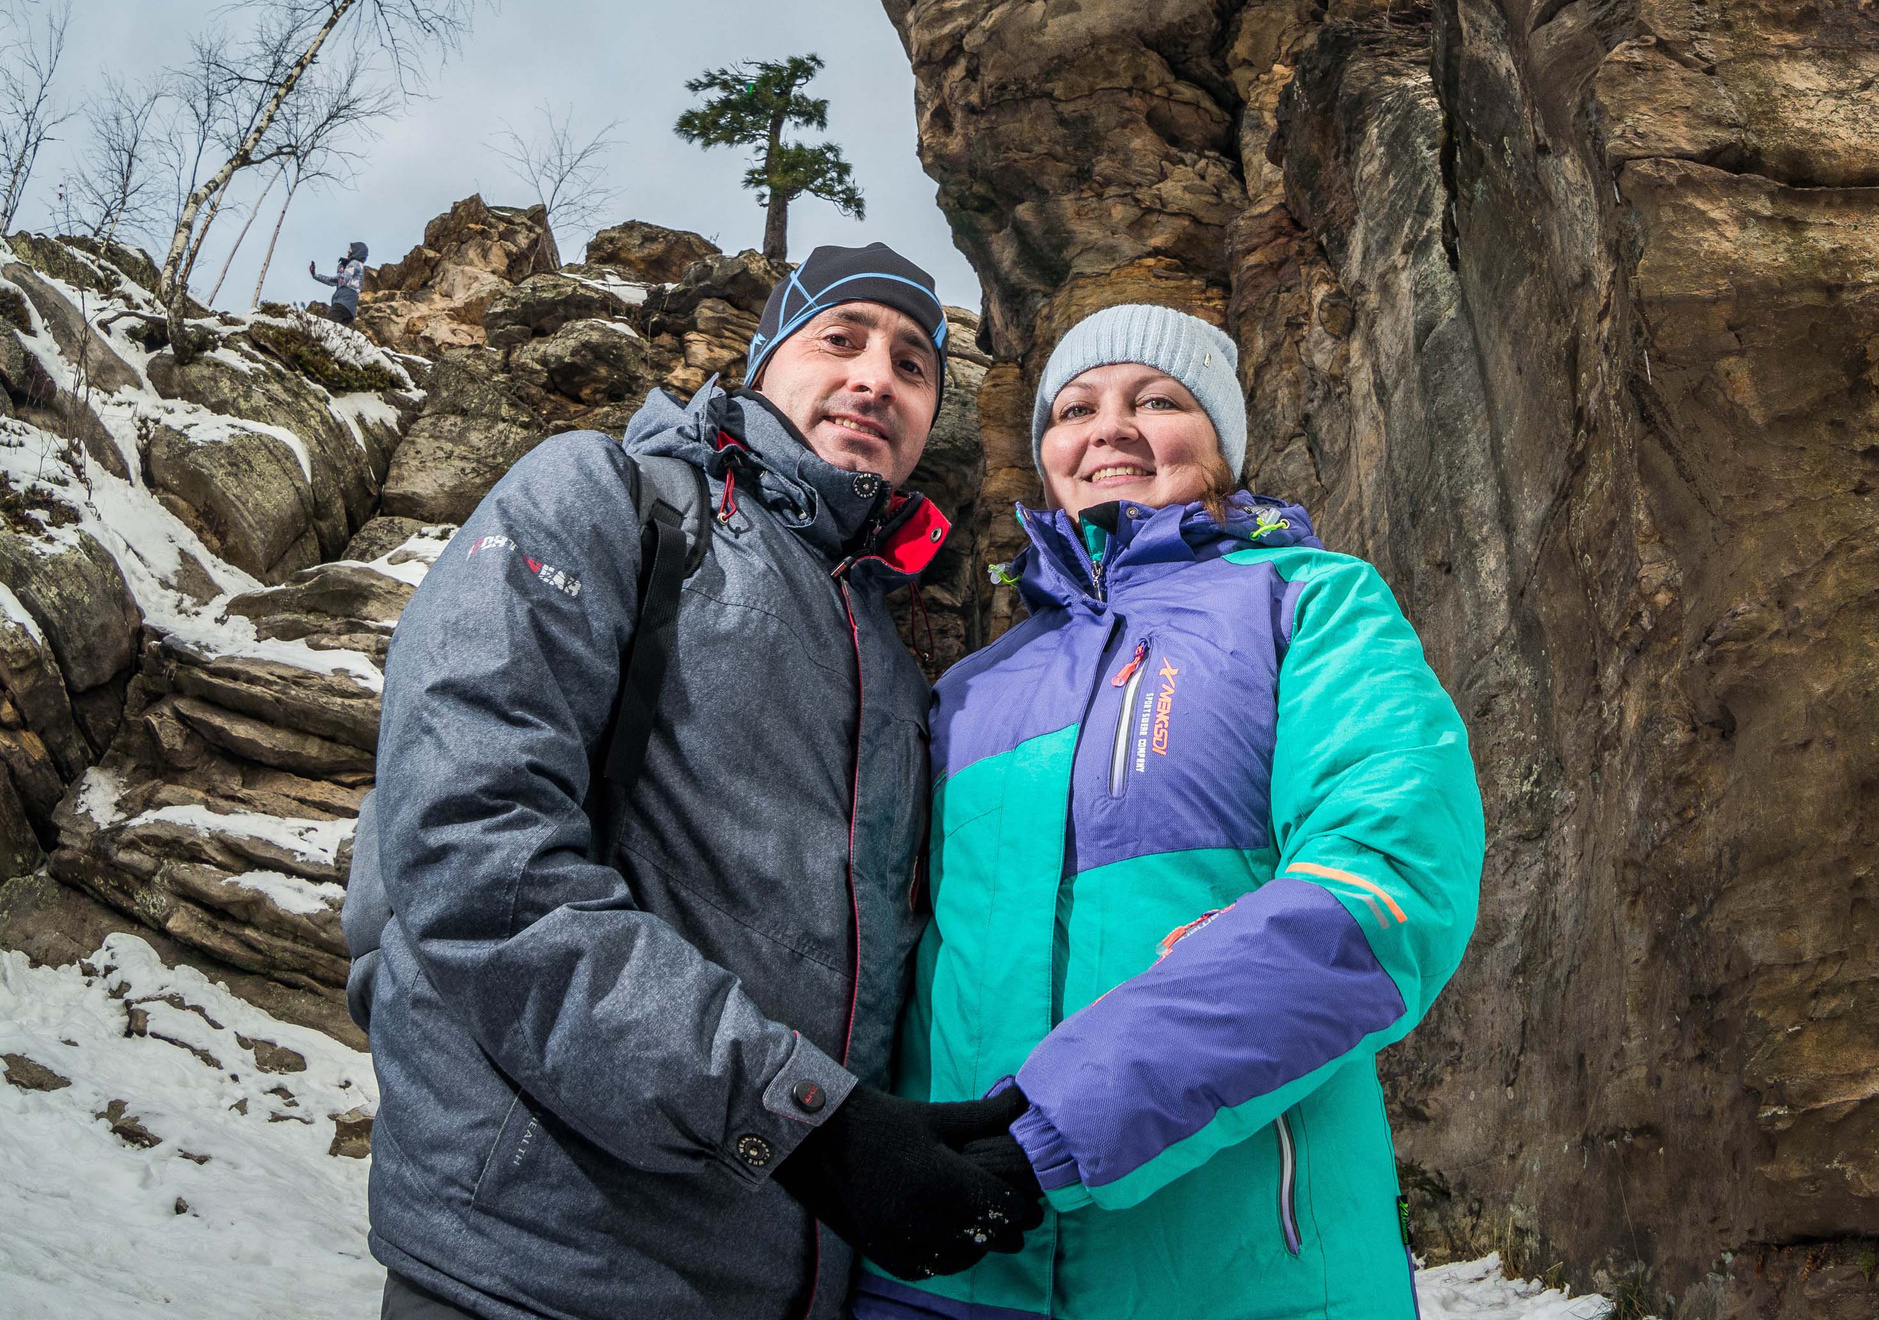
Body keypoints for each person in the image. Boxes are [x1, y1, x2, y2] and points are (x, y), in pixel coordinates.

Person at [346, 244, 1042, 1320]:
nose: (874, 378)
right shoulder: (608, 498)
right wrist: (805, 1124)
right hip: (533, 1267)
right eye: (840, 338)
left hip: (767, 1282)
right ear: (763, 362)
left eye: (914, 365)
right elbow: (468, 844)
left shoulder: (893, 661)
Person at [857, 303, 1486, 1320]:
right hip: (945, 1278)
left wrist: (1055, 1130)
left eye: (1157, 399)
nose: (1108, 428)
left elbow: (1385, 887)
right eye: (1074, 408)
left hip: (1239, 1273)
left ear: (1222, 443)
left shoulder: (1308, 604)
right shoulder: (968, 689)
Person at [311, 240, 367, 323]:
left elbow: (342, 280)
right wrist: (315, 275)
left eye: (350, 252)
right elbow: (336, 281)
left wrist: (341, 270)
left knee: (328, 326)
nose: (348, 254)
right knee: (336, 331)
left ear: (356, 252)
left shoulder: (354, 263)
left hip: (343, 302)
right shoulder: (357, 265)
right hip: (350, 308)